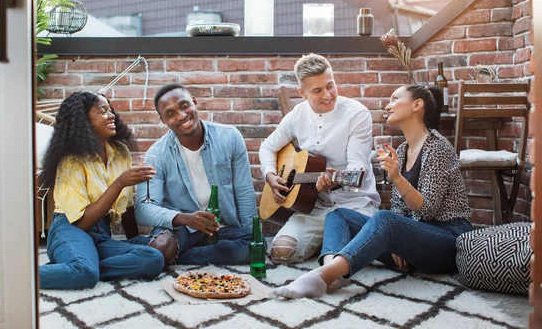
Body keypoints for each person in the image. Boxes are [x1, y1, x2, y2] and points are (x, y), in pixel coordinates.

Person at [273, 85, 472, 298]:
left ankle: (319, 277)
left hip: (447, 240)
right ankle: (335, 275)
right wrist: (397, 239)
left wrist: (397, 179)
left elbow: (428, 210)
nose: (388, 105)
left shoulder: (438, 148)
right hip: (416, 239)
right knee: (338, 214)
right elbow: (399, 208)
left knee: (384, 218)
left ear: (417, 104)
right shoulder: (403, 151)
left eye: (395, 98)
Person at [259, 53, 380, 265]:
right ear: (302, 93)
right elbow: (268, 146)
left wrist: (336, 180)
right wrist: (270, 174)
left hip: (353, 205)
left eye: (330, 85)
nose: (327, 95)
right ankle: (331, 243)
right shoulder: (297, 115)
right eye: (317, 90)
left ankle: (334, 244)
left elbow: (357, 170)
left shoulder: (357, 114)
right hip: (315, 208)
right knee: (281, 252)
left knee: (348, 256)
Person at [39, 91, 164, 290]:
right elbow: (81, 223)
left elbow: (128, 209)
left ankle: (76, 267)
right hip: (70, 230)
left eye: (110, 109)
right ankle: (20, 275)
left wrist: (133, 241)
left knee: (153, 258)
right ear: (84, 121)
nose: (112, 115)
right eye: (102, 111)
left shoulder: (120, 152)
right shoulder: (72, 160)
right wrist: (119, 183)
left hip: (101, 235)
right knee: (85, 274)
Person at [135, 84, 256, 265]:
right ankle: (189, 252)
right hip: (182, 228)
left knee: (252, 248)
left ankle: (183, 257)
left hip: (221, 227)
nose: (182, 116)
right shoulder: (156, 154)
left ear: (194, 102)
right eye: (170, 114)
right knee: (162, 248)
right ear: (163, 121)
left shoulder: (229, 137)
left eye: (184, 106)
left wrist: (250, 235)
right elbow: (143, 209)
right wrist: (185, 219)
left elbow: (243, 191)